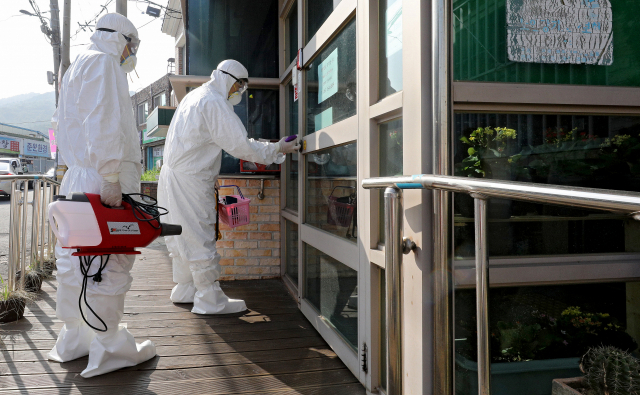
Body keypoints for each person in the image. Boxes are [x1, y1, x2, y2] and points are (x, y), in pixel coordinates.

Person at [47, 13, 156, 378]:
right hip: (102, 181)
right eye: (133, 45)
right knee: (109, 261)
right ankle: (108, 346)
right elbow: (104, 120)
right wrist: (111, 176)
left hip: (78, 178)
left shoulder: (77, 66)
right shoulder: (106, 64)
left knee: (75, 260)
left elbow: (69, 125)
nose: (132, 53)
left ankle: (74, 335)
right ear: (122, 39)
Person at [158, 59, 300, 315]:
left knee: (180, 233)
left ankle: (185, 287)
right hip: (190, 180)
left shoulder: (194, 97)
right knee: (199, 234)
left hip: (170, 178)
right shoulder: (214, 102)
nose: (239, 92)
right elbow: (239, 145)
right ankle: (208, 298)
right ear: (226, 78)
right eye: (238, 85)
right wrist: (277, 148)